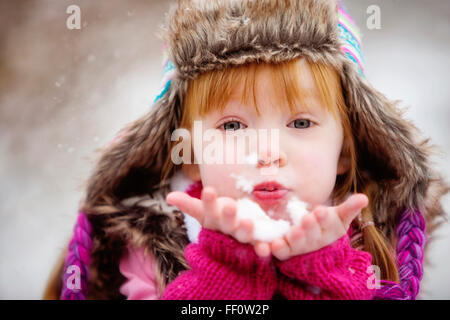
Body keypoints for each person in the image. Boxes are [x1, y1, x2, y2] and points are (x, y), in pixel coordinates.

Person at [43, 0, 448, 300]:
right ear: (192, 155)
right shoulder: (149, 249)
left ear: (346, 150)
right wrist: (224, 275)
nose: (267, 152)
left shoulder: (377, 245)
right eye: (233, 126)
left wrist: (324, 271)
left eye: (301, 123)